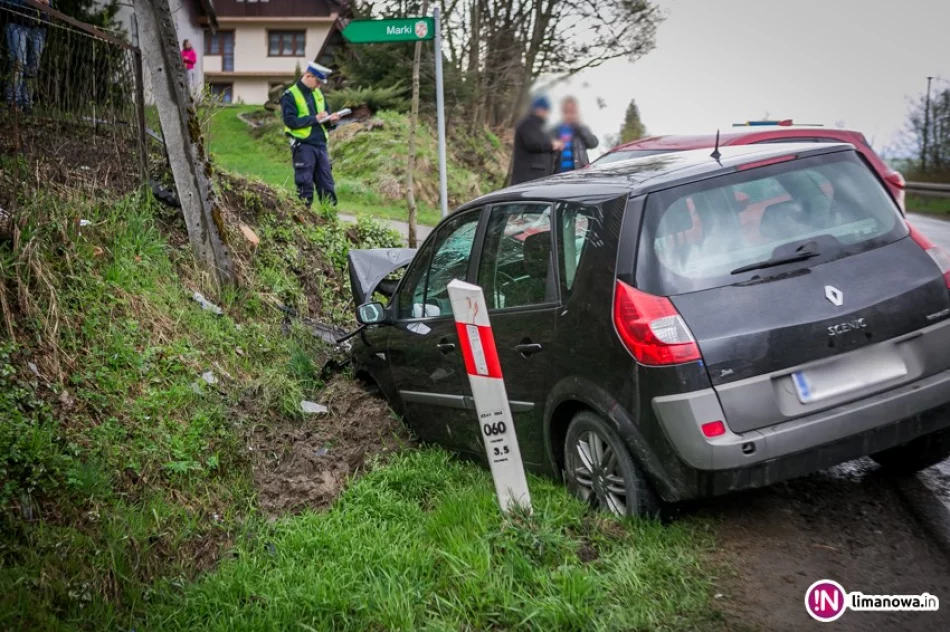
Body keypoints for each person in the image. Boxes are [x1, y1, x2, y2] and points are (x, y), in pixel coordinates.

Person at [281, 62, 341, 207]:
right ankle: (303, 217)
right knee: (305, 184)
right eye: (318, 82)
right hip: (303, 146)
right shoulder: (290, 95)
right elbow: (290, 121)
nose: (319, 86)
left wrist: (332, 121)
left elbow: (325, 119)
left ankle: (329, 216)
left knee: (327, 185)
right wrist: (314, 119)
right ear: (308, 76)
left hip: (320, 145)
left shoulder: (318, 93)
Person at [3, 0, 52, 112]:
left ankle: (27, 105)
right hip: (17, 22)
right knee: (18, 63)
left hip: (39, 27)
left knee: (33, 68)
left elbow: (49, 4)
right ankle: (14, 103)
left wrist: (47, 3)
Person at [509, 95, 564, 186]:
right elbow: (532, 143)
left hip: (539, 176)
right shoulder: (528, 124)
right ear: (538, 109)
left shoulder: (543, 126)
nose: (547, 113)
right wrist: (552, 145)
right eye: (545, 110)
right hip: (528, 176)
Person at [552, 96, 599, 173]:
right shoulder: (555, 130)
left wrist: (580, 127)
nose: (569, 114)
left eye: (572, 111)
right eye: (567, 111)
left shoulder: (581, 129)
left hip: (578, 173)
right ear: (563, 111)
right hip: (558, 174)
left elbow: (593, 144)